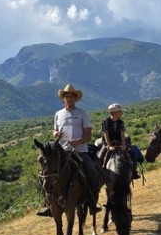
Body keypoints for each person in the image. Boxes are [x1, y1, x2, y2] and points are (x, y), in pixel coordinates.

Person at [37, 84, 101, 217]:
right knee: (46, 173)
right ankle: (49, 204)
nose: (70, 99)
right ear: (63, 99)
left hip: (80, 150)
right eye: (67, 96)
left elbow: (88, 135)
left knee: (92, 172)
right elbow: (54, 130)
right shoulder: (58, 114)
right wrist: (55, 134)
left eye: (72, 97)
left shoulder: (82, 114)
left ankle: (92, 203)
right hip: (62, 152)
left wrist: (77, 142)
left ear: (75, 99)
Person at [98, 103, 140, 179]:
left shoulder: (121, 122)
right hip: (108, 143)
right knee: (100, 157)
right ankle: (100, 176)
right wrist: (109, 146)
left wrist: (123, 145)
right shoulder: (105, 122)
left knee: (132, 152)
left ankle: (134, 171)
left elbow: (122, 134)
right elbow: (106, 134)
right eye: (120, 111)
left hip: (119, 142)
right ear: (114, 113)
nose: (122, 113)